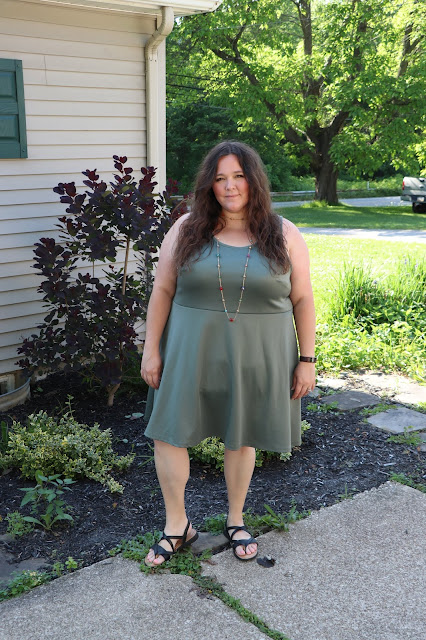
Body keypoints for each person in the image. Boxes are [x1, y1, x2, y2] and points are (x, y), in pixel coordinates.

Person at [141, 141, 316, 567]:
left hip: (258, 354)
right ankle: (177, 525)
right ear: (209, 185)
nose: (230, 186)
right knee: (169, 433)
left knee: (242, 435)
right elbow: (162, 290)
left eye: (238, 176)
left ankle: (235, 520)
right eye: (220, 178)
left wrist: (307, 360)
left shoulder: (284, 233)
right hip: (188, 350)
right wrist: (150, 350)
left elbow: (303, 298)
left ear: (254, 181)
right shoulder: (185, 229)